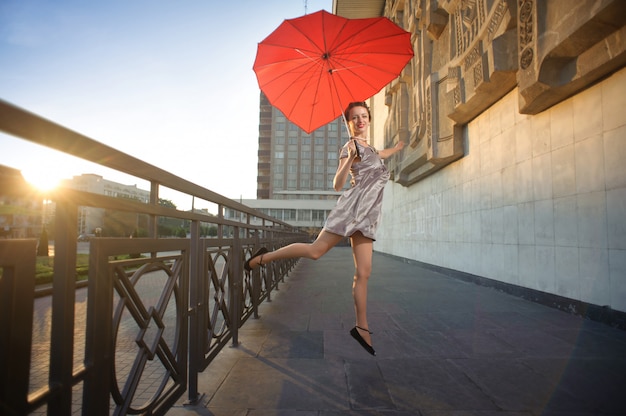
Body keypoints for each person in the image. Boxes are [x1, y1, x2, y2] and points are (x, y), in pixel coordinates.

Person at [244, 101, 405, 356]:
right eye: (355, 118)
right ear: (349, 122)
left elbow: (379, 155)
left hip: (368, 214)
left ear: (369, 120)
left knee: (364, 271)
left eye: (364, 116)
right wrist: (348, 159)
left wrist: (395, 149)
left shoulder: (370, 148)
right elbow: (337, 184)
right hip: (351, 209)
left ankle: (361, 327)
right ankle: (263, 258)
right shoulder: (350, 147)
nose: (360, 121)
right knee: (315, 251)